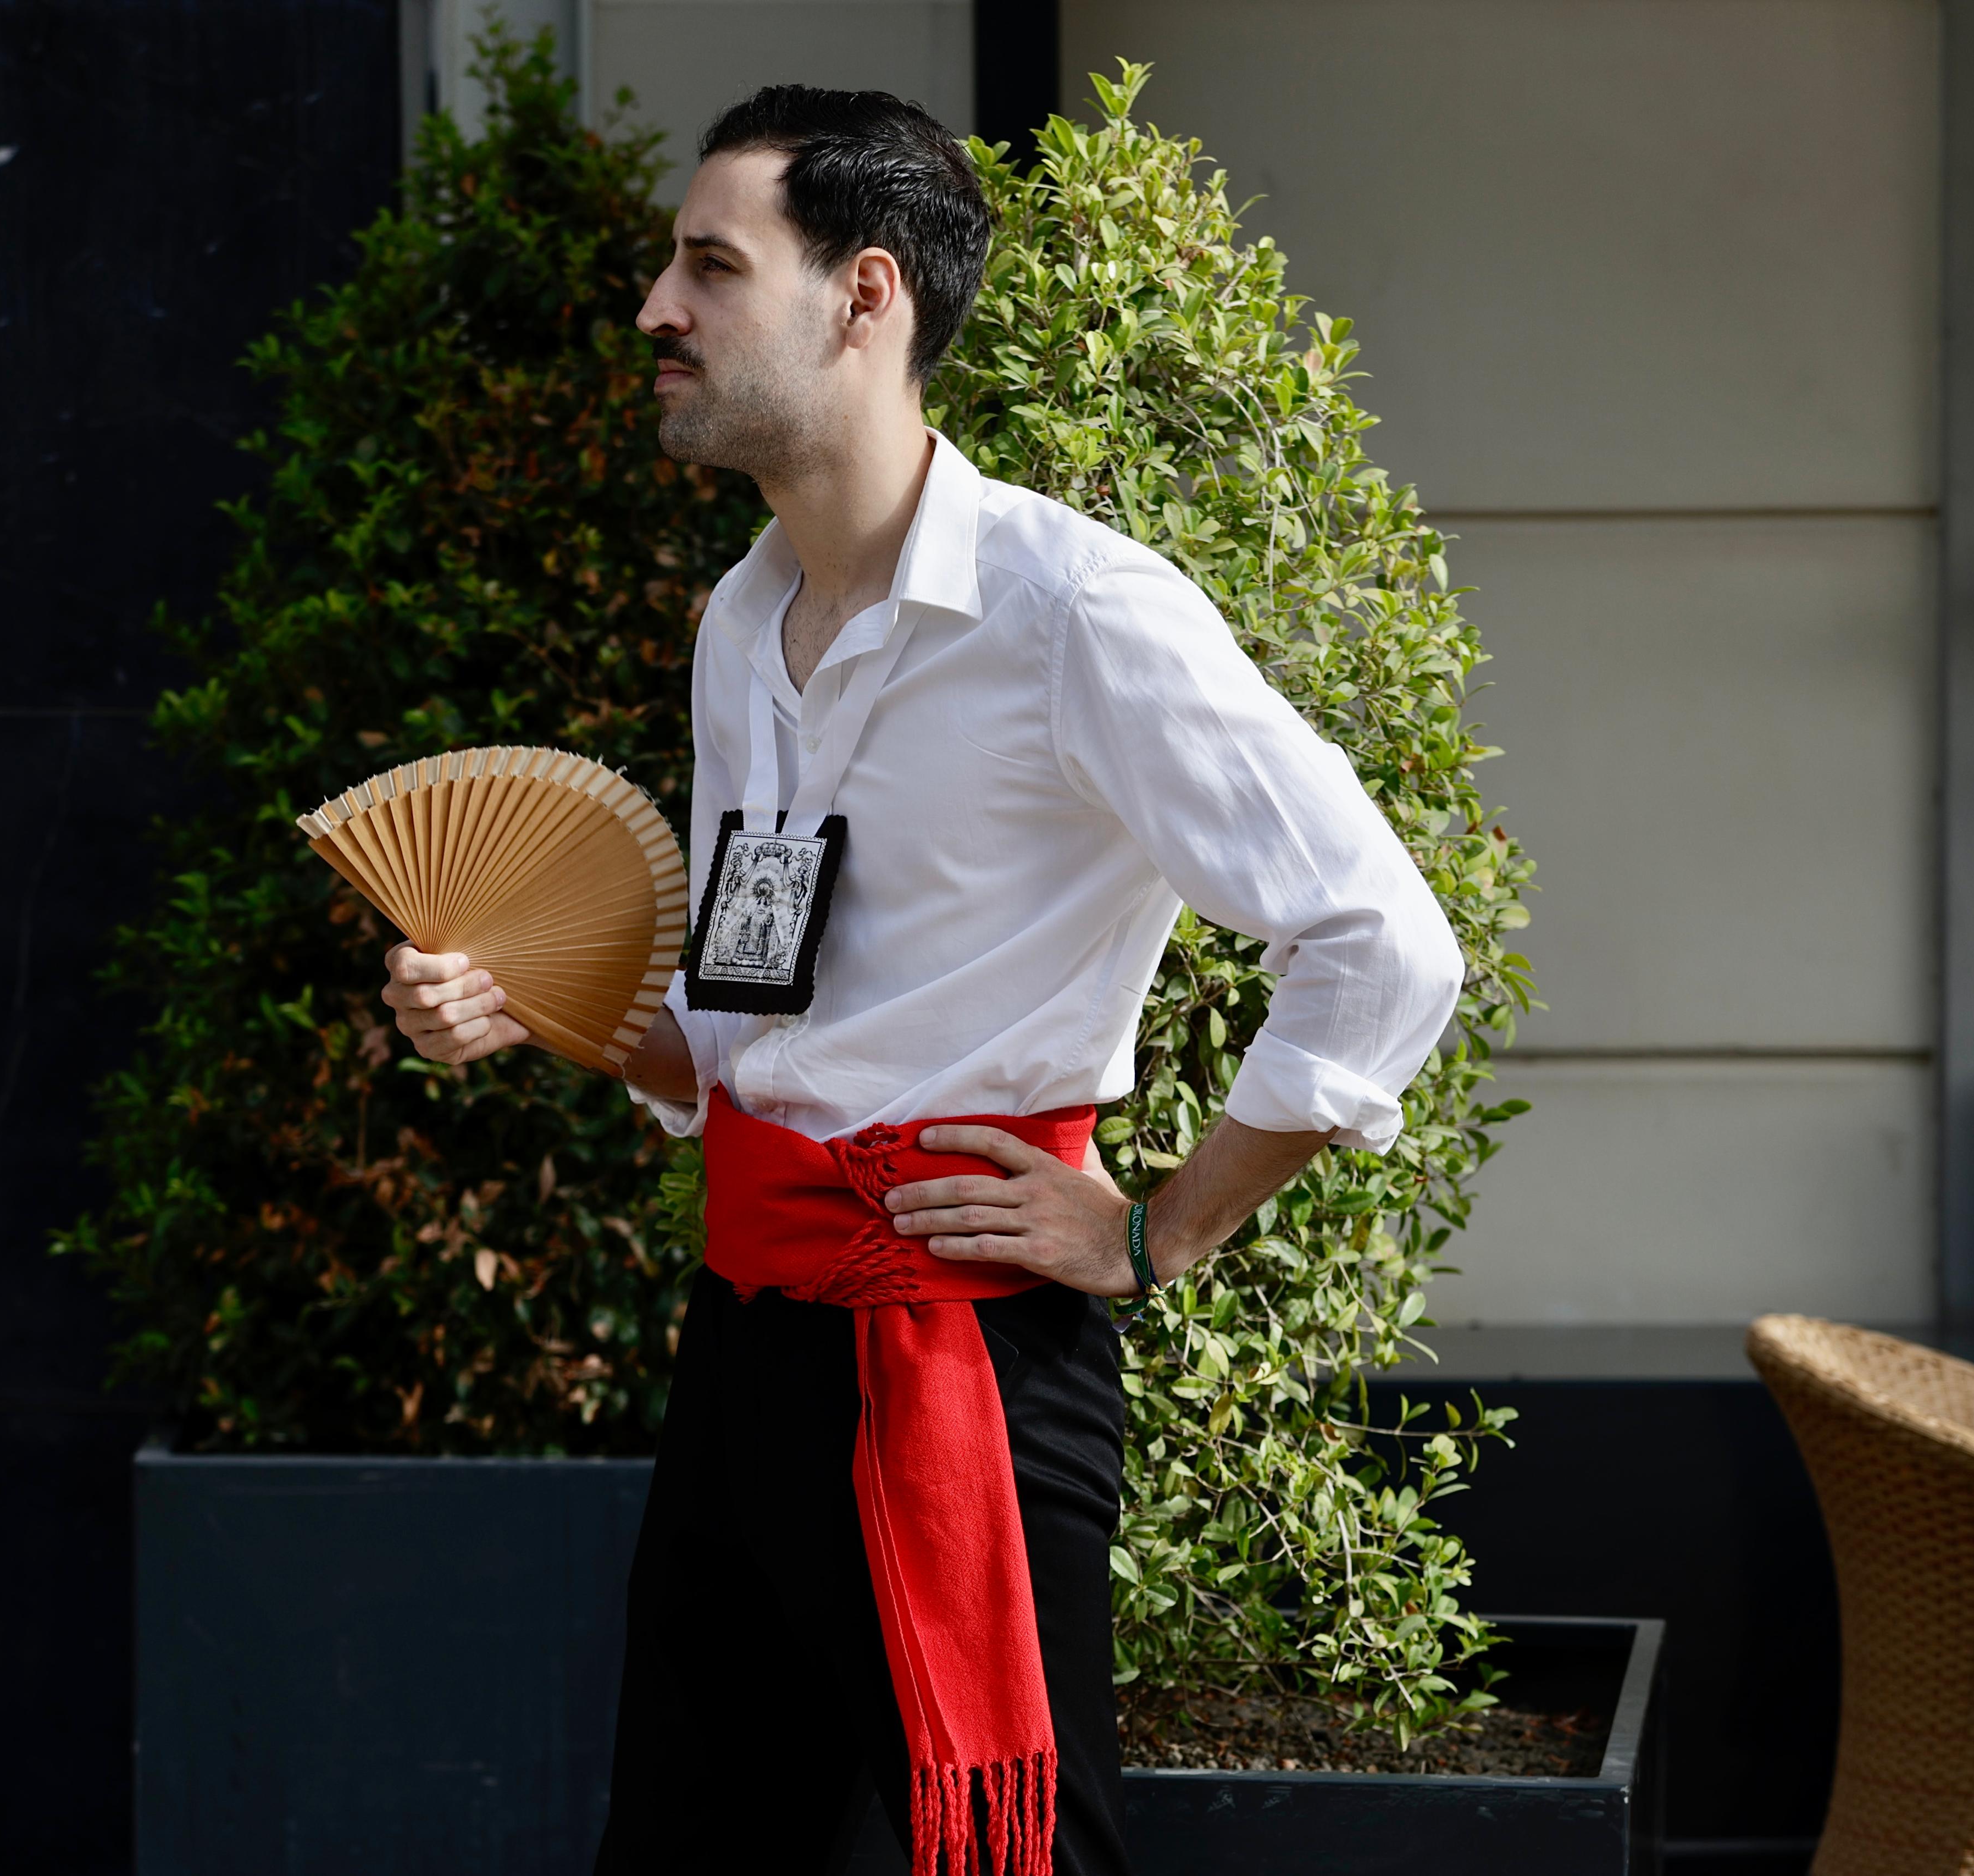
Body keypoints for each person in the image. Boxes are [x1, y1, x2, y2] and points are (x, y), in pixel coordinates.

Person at [382, 86, 1462, 1876]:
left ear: (865, 296)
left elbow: (1382, 941)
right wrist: (533, 1010)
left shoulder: (1078, 613)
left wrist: (1160, 1230)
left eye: (709, 266)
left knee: (1000, 1857)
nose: (656, 306)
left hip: (956, 1342)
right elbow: (759, 1025)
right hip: (745, 1341)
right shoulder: (746, 617)